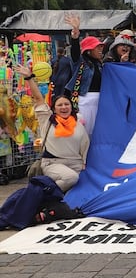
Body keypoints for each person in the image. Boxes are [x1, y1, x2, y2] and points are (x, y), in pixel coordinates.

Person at [16, 64, 89, 192]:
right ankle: (43, 196)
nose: (64, 107)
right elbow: (38, 99)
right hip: (53, 163)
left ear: (71, 107)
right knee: (71, 178)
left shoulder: (78, 122)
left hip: (76, 164)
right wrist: (29, 78)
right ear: (54, 109)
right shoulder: (48, 120)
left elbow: (85, 145)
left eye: (67, 104)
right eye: (60, 105)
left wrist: (84, 163)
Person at [64, 13, 104, 137]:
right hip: (84, 101)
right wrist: (75, 35)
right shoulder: (80, 62)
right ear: (89, 50)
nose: (100, 49)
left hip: (100, 101)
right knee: (84, 132)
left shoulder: (100, 64)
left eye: (101, 47)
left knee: (97, 133)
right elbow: (75, 51)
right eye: (97, 47)